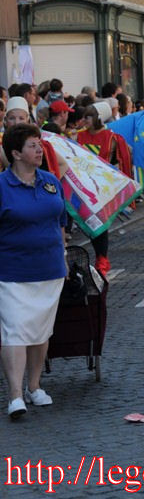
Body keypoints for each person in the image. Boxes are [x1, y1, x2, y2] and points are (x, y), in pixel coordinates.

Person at [0, 123, 67, 419]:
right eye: (32, 145)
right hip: (12, 272)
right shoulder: (2, 186)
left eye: (39, 144)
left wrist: (63, 254)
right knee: (14, 330)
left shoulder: (50, 181)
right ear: (16, 154)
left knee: (40, 330)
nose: (40, 149)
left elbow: (61, 221)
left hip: (49, 268)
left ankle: (35, 386)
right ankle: (15, 395)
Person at [76, 102, 132, 275]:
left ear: (98, 118)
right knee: (90, 222)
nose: (85, 120)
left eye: (89, 116)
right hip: (83, 186)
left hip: (102, 187)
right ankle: (100, 257)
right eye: (85, 116)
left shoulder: (111, 137)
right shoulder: (79, 136)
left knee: (99, 222)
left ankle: (102, 258)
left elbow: (123, 159)